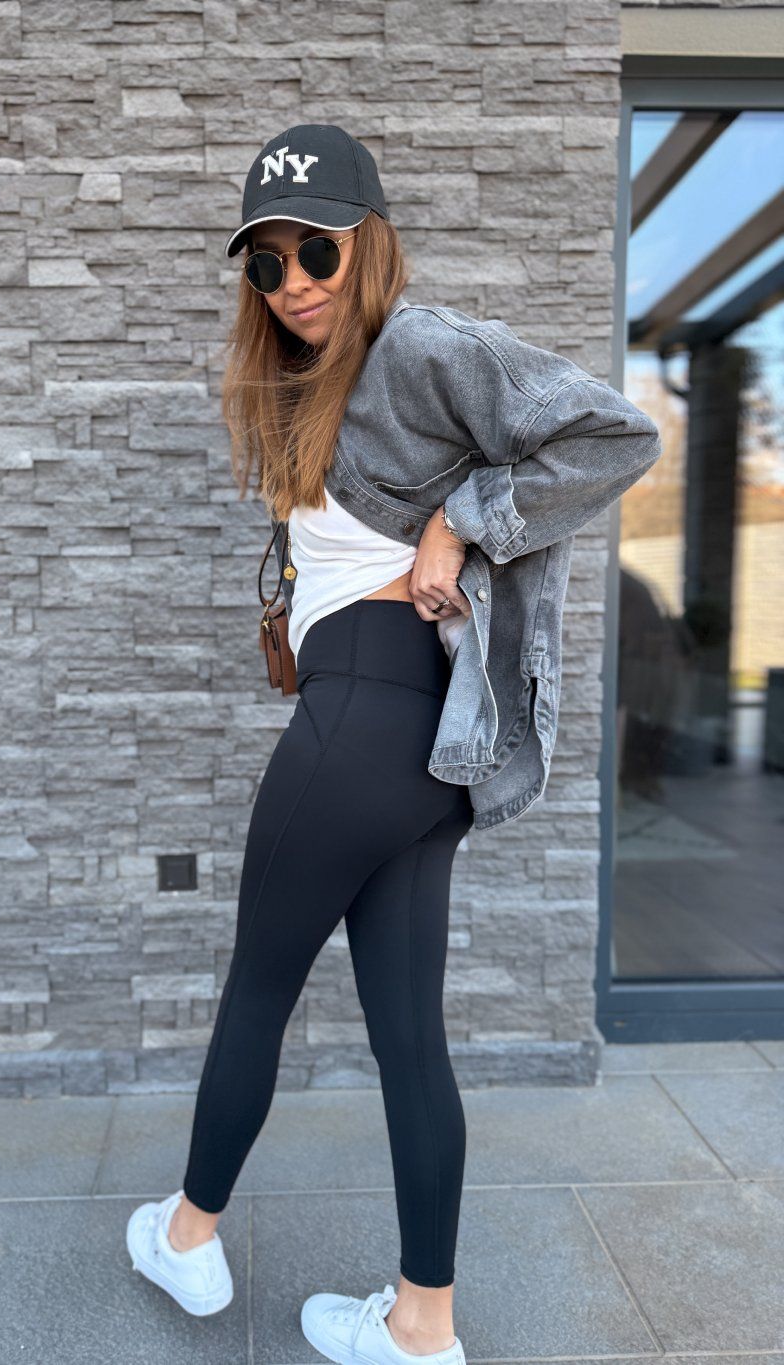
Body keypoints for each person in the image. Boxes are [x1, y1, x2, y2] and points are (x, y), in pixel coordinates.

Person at [126, 124, 662, 1365]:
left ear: (369, 242)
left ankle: (187, 1235)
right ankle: (422, 1326)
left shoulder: (419, 346)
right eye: (267, 263)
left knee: (259, 988)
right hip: (422, 742)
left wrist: (460, 524)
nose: (293, 281)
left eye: (316, 249)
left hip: (366, 715)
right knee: (409, 1038)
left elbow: (613, 435)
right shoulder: (311, 385)